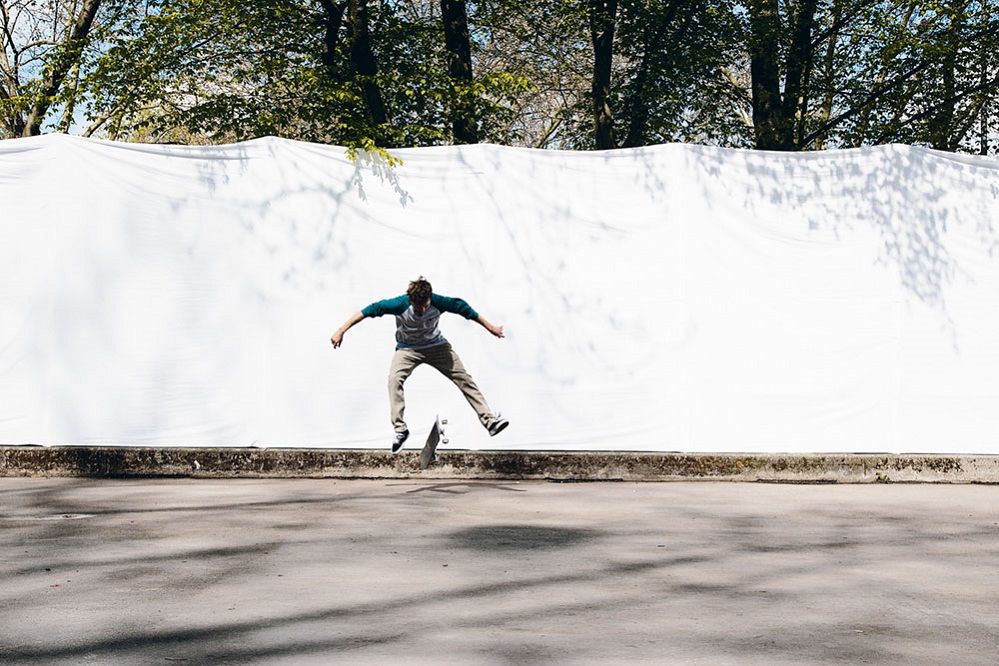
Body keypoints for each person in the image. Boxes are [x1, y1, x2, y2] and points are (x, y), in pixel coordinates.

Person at [331, 276, 509, 452]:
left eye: (426, 305)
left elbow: (464, 309)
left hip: (437, 346)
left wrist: (491, 327)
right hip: (407, 350)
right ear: (411, 300)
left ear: (430, 298)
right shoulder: (399, 304)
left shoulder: (439, 301)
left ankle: (489, 420)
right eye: (419, 307)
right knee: (394, 380)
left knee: (464, 378)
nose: (423, 310)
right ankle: (400, 430)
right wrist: (341, 331)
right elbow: (368, 310)